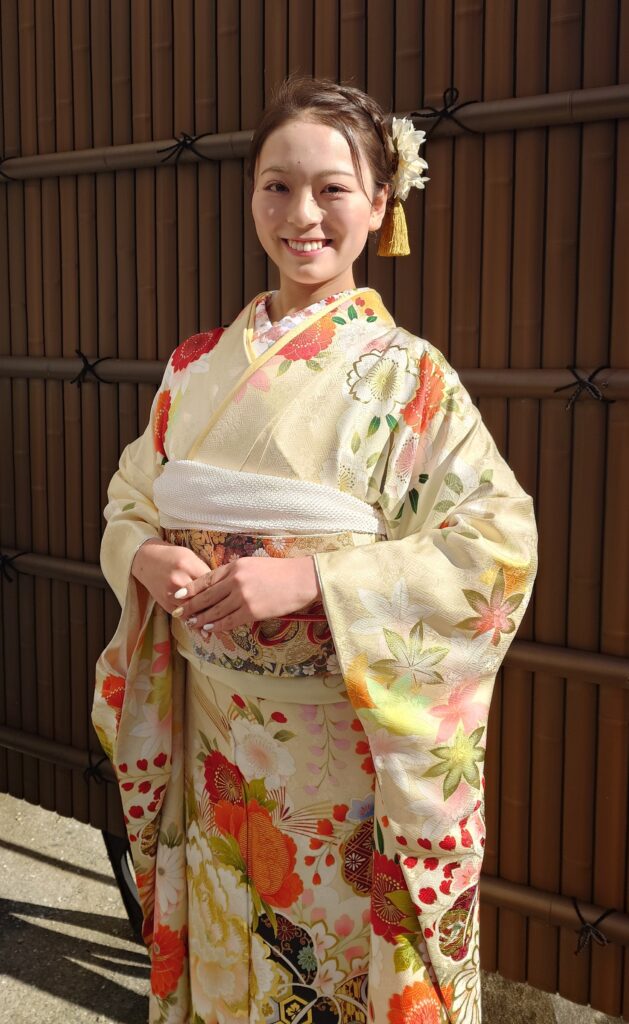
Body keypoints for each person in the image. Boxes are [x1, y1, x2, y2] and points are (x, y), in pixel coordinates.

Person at [93, 76, 537, 1024]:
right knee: (226, 959)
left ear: (380, 204)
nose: (302, 215)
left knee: (326, 977)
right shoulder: (192, 366)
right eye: (277, 186)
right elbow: (132, 492)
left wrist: (314, 580)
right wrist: (138, 553)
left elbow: (495, 546)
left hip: (337, 756)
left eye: (332, 189)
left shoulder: (411, 379)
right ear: (251, 194)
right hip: (213, 737)